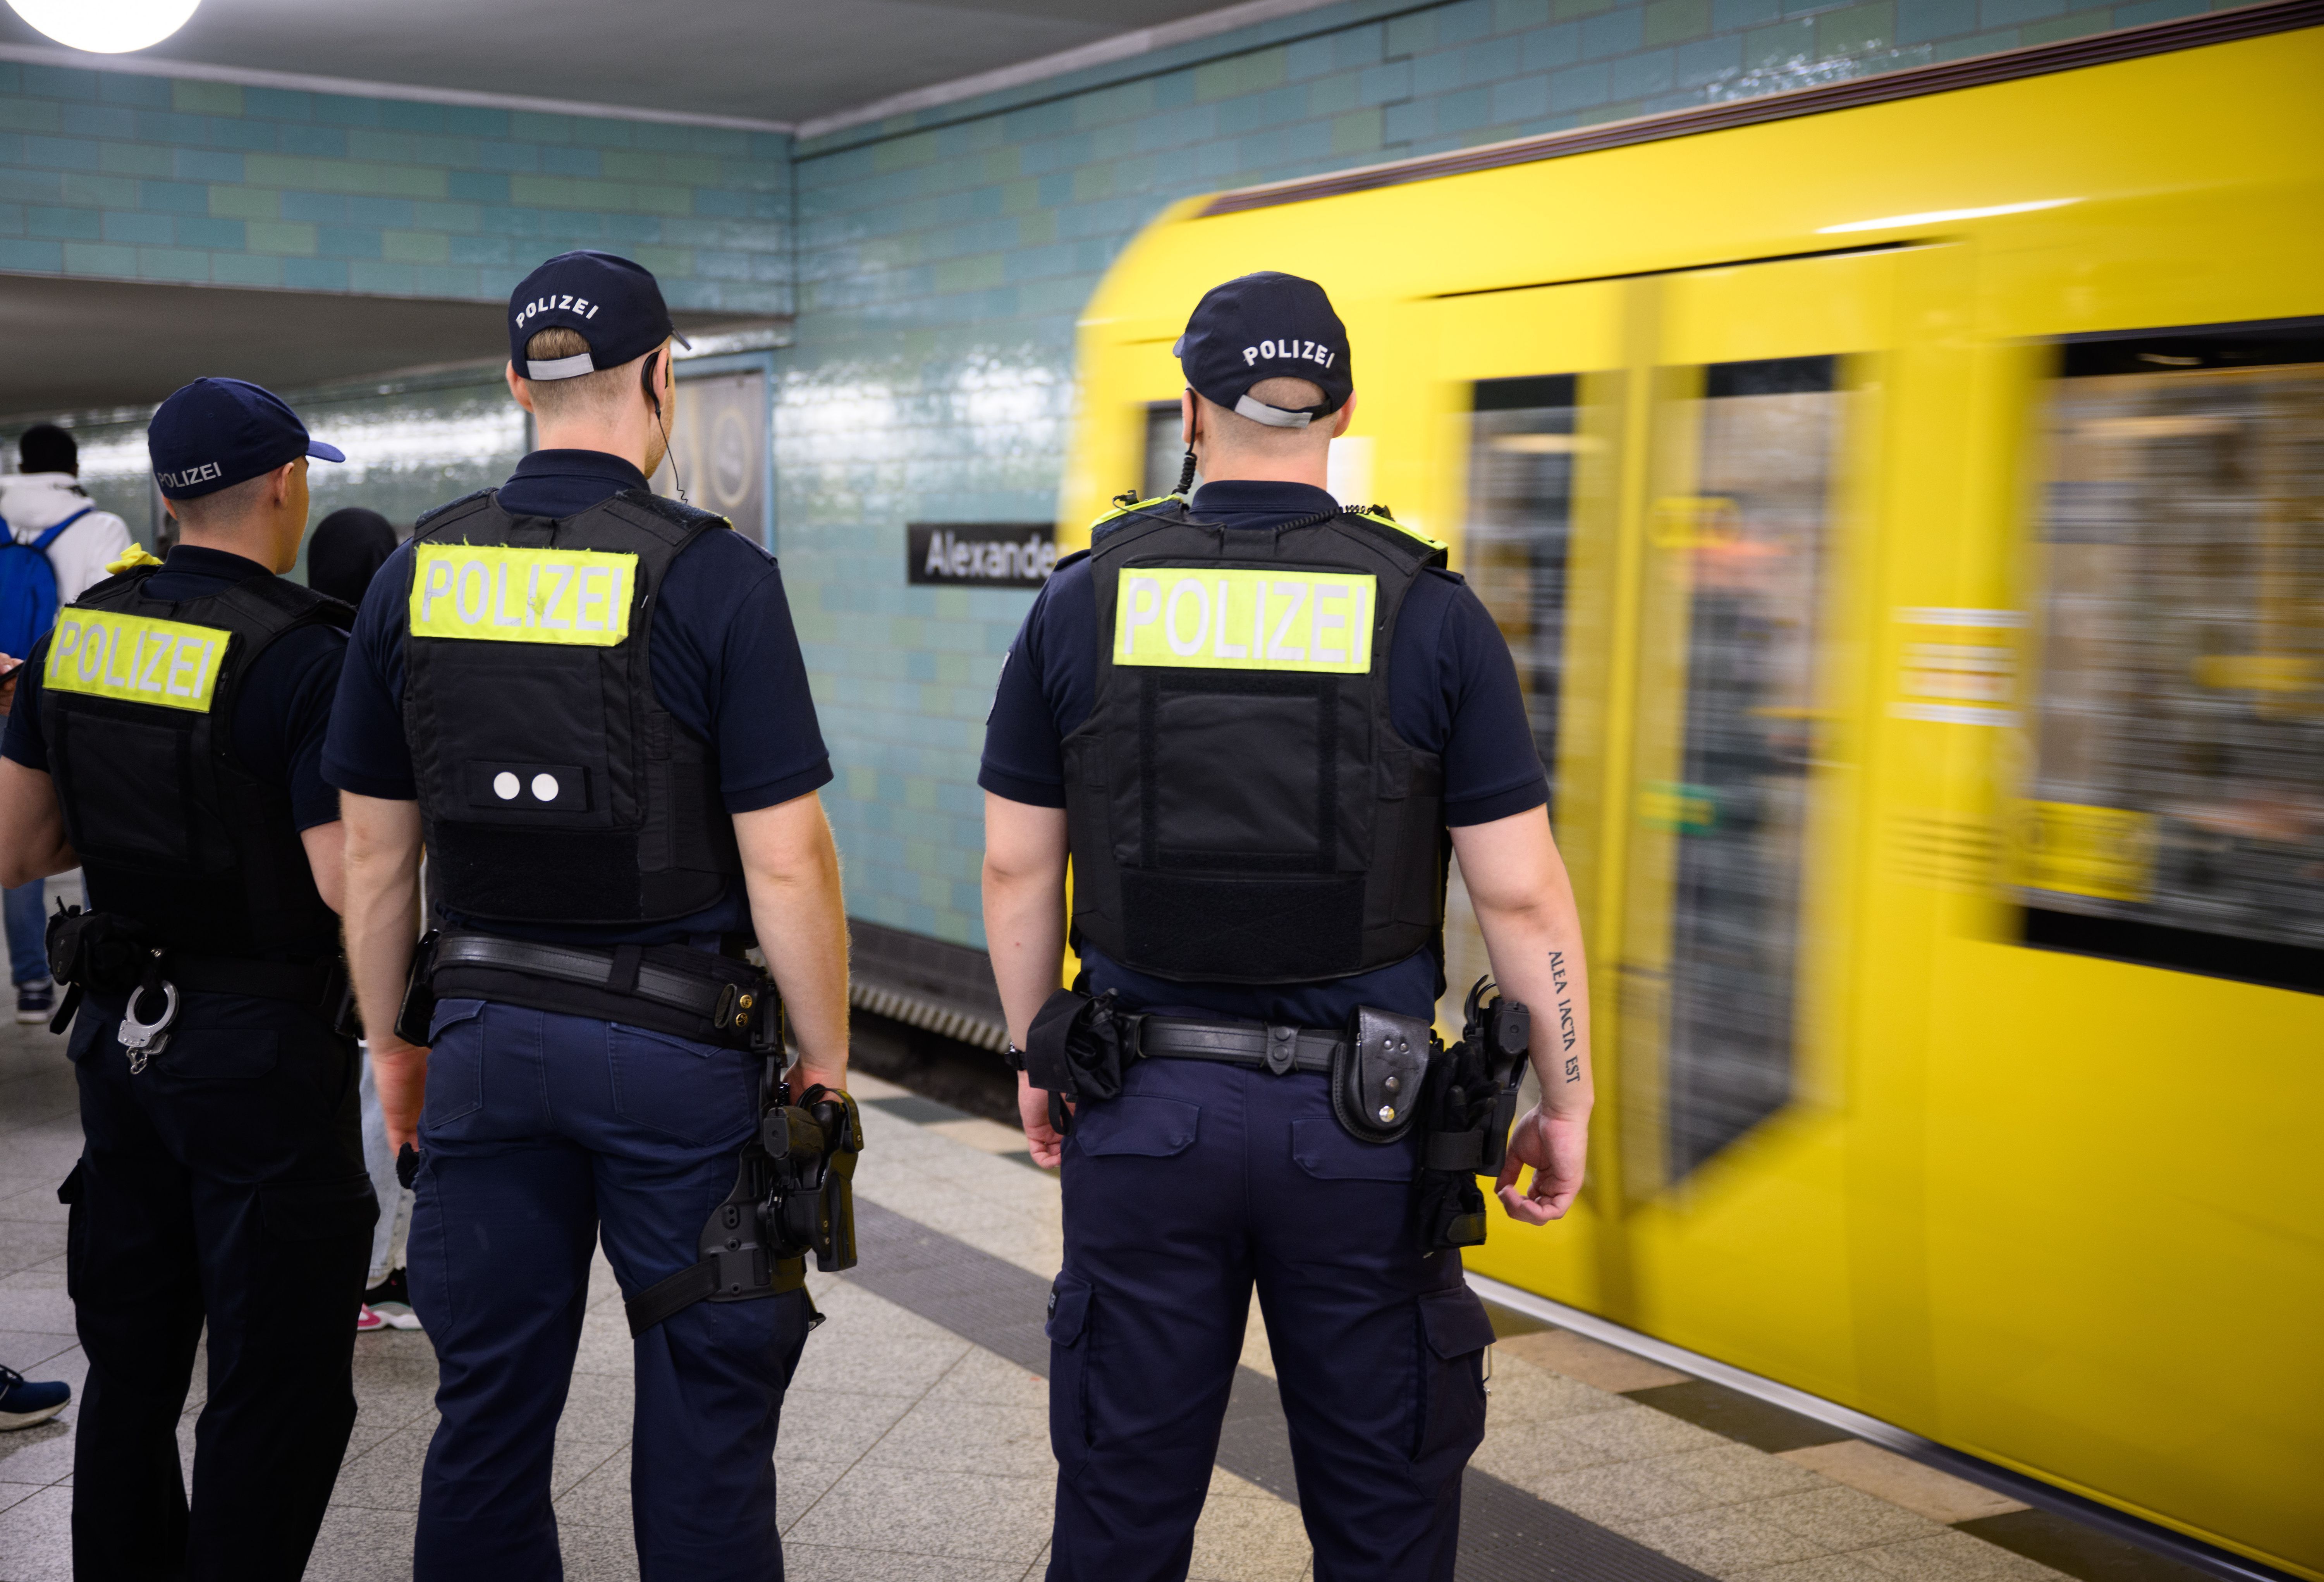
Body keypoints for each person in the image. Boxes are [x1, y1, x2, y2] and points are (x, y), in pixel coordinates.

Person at [980, 272, 1597, 1582]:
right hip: (1365, 1134)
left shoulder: (1083, 600)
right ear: (1343, 410)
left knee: (1120, 1511)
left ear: (1192, 411)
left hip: (1143, 1109)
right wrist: (1566, 1093)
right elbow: (1524, 893)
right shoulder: (1430, 613)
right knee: (1383, 1519)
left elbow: (1017, 868)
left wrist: (1042, 1055)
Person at [327, 250, 852, 1582]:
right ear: (664, 376)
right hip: (676, 1054)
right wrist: (827, 1063)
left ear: (516, 383)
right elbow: (786, 860)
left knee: (487, 1417)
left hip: (487, 1043)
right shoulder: (717, 577)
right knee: (708, 1415)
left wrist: (397, 1046)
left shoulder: (412, 572)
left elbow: (381, 860)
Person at [0, 379, 374, 1580]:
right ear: (285, 484)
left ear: (166, 497)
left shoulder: (85, 629)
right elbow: (341, 883)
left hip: (121, 1034)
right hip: (264, 1050)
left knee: (134, 1359)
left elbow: (19, 847)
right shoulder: (309, 653)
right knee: (275, 1381)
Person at [304, 504, 419, 1331]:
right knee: (381, 1096)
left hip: (290, 939)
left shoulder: (294, 650)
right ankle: (371, 1273)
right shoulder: (375, 667)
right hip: (362, 922)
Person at [0, 424, 131, 1025]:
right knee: (39, 830)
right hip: (44, 698)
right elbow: (105, 630)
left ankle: (29, 976)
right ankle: (36, 983)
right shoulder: (99, 528)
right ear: (74, 465)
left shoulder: (3, 516)